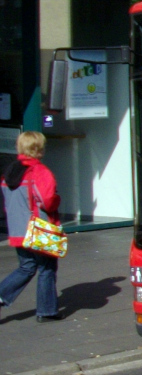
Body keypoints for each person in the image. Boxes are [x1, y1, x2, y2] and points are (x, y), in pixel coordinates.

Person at [0, 131, 63, 322]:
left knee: (26, 267)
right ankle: (47, 311)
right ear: (39, 148)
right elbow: (48, 201)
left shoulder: (10, 172)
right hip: (39, 228)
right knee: (47, 268)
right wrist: (57, 199)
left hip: (18, 229)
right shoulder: (40, 172)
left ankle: (2, 295)